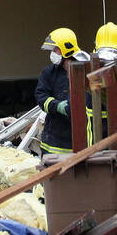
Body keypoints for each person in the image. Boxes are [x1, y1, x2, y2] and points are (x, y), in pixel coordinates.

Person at [34, 27, 91, 155]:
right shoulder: (49, 73)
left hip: (81, 138)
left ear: (66, 49)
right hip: (53, 141)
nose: (53, 53)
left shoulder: (85, 69)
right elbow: (41, 97)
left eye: (56, 50)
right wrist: (58, 106)